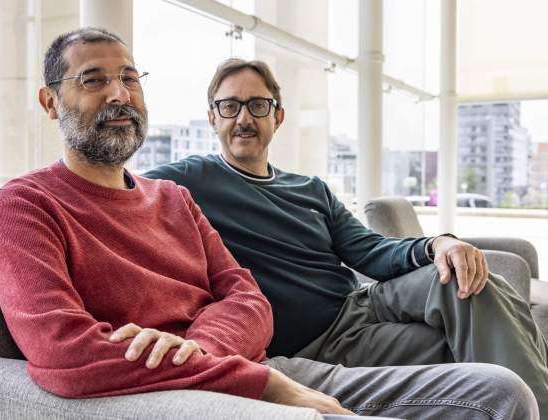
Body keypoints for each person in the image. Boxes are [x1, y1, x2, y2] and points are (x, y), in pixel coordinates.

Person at [0, 27, 538, 419]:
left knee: (485, 322)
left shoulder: (176, 198)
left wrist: (438, 241)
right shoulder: (37, 204)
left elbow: (252, 297)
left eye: (130, 78)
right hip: (276, 363)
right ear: (51, 103)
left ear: (278, 114)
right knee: (497, 390)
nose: (119, 93)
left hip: (336, 319)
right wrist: (255, 376)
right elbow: (64, 351)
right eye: (93, 79)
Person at [144, 58, 548, 416]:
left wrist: (438, 243)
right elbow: (113, 189)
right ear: (213, 118)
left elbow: (370, 251)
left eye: (257, 105)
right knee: (469, 357)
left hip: (360, 304)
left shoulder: (310, 188)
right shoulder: (187, 180)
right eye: (229, 106)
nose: (243, 118)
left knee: (466, 279)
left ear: (277, 116)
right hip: (317, 342)